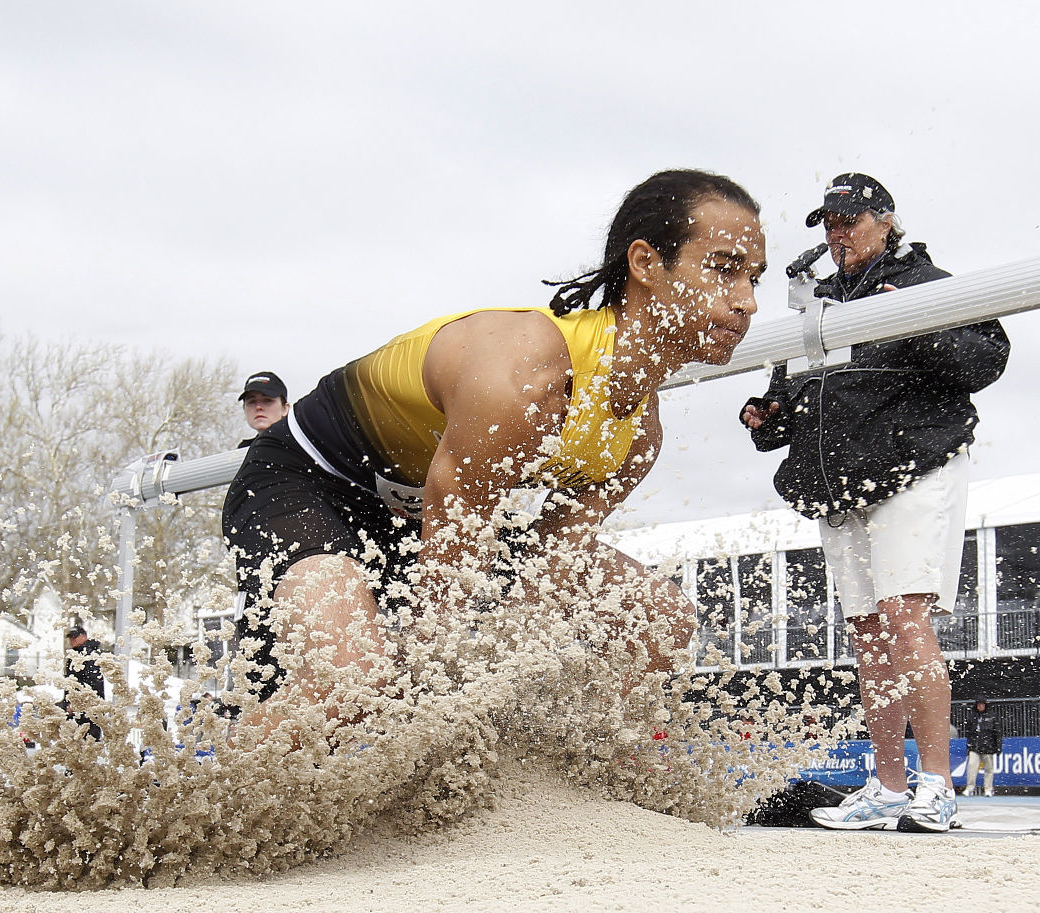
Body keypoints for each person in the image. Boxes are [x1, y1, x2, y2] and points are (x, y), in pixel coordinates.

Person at [223, 169, 766, 736]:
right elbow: (447, 582)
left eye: (754, 277)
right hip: (307, 483)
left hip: (418, 515)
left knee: (658, 617)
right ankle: (196, 803)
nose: (747, 302)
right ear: (645, 263)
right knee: (355, 684)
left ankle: (580, 784)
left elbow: (554, 563)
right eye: (724, 269)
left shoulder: (640, 435)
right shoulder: (527, 367)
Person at [741, 173, 1010, 833]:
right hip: (843, 484)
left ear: (887, 220)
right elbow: (793, 400)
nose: (837, 234)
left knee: (902, 614)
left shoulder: (928, 283)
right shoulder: (819, 305)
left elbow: (988, 360)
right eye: (828, 224)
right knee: (867, 632)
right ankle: (889, 787)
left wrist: (913, 324)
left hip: (917, 465)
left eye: (849, 220)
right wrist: (769, 417)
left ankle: (938, 785)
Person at [64, 624, 105, 739]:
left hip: (88, 708)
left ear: (84, 637)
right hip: (77, 708)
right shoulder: (76, 655)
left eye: (75, 637)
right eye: (71, 637)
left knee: (87, 743)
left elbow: (92, 683)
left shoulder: (89, 655)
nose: (72, 640)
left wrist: (77, 703)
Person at [237, 371, 289, 447]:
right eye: (252, 402)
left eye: (267, 400)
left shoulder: (301, 443)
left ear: (285, 409)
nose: (258, 407)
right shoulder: (243, 451)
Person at [963, 697, 1002, 797]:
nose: (980, 706)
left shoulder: (992, 716)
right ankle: (970, 788)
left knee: (989, 769)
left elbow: (997, 732)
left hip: (988, 747)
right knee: (972, 766)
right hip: (975, 746)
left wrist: (998, 746)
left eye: (982, 704)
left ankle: (988, 789)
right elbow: (969, 733)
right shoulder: (972, 716)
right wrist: (969, 746)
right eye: (979, 704)